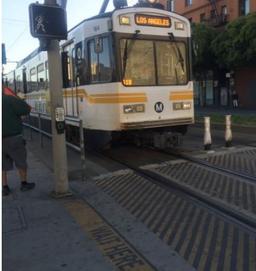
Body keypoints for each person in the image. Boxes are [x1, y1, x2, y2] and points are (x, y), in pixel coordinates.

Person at [2, 90, 35, 196]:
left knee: (2, 165)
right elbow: (26, 109)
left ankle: (5, 187)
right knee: (21, 161)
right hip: (14, 138)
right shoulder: (10, 99)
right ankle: (24, 184)